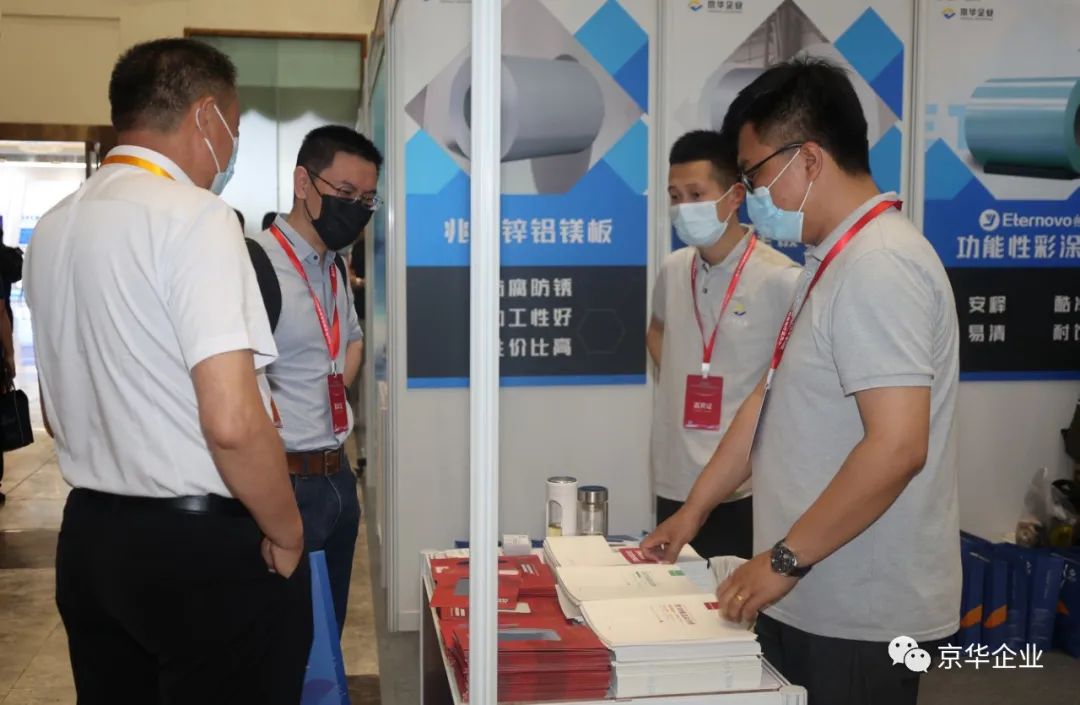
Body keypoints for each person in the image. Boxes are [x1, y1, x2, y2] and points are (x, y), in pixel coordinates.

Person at [642, 57, 961, 705]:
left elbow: (898, 446)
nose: (753, 194)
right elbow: (766, 402)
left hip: (857, 609)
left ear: (808, 159)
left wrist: (786, 557)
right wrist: (695, 511)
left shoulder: (880, 264)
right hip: (814, 587)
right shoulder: (829, 259)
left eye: (755, 174)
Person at [24, 38, 311, 704]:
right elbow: (233, 421)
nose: (230, 153)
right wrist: (286, 529)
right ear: (206, 116)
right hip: (199, 551)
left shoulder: (55, 227)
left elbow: (55, 410)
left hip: (90, 540)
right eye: (233, 131)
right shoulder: (198, 217)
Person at [248, 124, 378, 635]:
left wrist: (329, 390)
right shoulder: (256, 266)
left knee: (325, 637)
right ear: (303, 182)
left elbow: (352, 341)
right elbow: (236, 384)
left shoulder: (333, 268)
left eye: (366, 199)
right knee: (277, 642)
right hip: (282, 481)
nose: (356, 209)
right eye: (344, 192)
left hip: (336, 476)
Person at [648, 130, 800, 560]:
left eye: (696, 194)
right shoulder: (673, 269)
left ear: (735, 196)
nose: (683, 208)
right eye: (675, 197)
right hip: (675, 474)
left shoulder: (780, 279)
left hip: (743, 486)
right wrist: (683, 379)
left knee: (734, 595)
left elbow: (790, 381)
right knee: (672, 591)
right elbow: (656, 330)